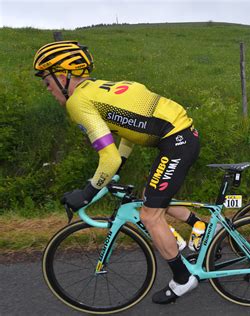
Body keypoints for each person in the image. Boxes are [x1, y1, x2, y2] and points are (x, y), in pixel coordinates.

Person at [33, 40, 202, 304]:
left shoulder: (78, 102)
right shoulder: (98, 89)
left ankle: (183, 279)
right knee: (151, 196)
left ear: (64, 75)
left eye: (47, 81)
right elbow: (127, 133)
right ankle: (198, 226)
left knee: (150, 215)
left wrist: (87, 193)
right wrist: (117, 166)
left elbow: (107, 157)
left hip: (176, 140)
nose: (48, 88)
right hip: (179, 136)